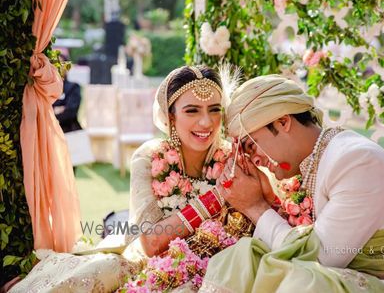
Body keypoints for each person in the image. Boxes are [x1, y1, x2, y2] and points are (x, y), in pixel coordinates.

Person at [9, 65, 252, 292]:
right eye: (192, 110)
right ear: (171, 116)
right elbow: (150, 242)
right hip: (148, 261)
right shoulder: (148, 157)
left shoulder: (234, 160)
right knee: (99, 274)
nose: (206, 122)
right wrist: (217, 196)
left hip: (218, 266)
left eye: (214, 110)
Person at [200, 75, 384, 292]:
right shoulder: (321, 159)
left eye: (252, 145)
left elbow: (320, 258)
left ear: (283, 122)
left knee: (304, 284)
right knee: (243, 256)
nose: (255, 159)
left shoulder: (354, 160)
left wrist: (255, 207)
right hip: (361, 279)